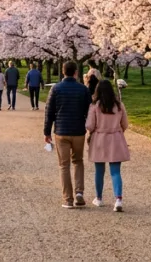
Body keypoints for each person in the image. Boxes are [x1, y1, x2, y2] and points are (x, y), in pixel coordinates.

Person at [44, 61, 92, 209]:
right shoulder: (83, 89)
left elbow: (49, 111)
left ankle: (68, 199)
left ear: (63, 72)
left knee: (64, 165)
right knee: (78, 161)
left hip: (61, 131)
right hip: (78, 131)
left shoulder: (56, 89)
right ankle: (79, 193)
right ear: (76, 72)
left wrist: (46, 132)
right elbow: (89, 110)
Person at [86, 80, 130, 213]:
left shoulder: (95, 106)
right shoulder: (119, 105)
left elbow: (89, 125)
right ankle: (118, 199)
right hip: (115, 138)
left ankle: (99, 198)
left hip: (99, 138)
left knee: (99, 171)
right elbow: (125, 124)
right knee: (115, 171)